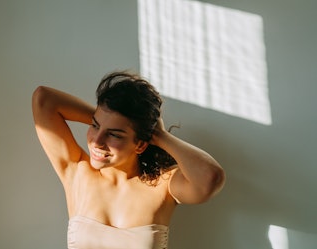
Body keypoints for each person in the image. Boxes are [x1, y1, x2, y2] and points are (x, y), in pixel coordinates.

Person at [32, 71, 225, 249]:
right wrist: (111, 120)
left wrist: (157, 134)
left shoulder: (163, 186)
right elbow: (43, 99)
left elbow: (210, 177)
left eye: (114, 135)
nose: (96, 142)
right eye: (95, 125)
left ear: (141, 144)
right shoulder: (77, 173)